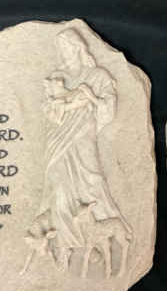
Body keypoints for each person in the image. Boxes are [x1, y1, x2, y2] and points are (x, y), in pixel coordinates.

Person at [31, 28, 130, 268]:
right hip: (58, 141)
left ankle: (94, 240)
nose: (63, 52)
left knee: (92, 183)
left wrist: (90, 100)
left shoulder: (98, 75)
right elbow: (49, 111)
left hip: (84, 137)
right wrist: (67, 104)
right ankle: (67, 244)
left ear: (78, 47)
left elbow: (108, 107)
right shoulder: (56, 77)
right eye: (60, 48)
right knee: (59, 191)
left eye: (66, 46)